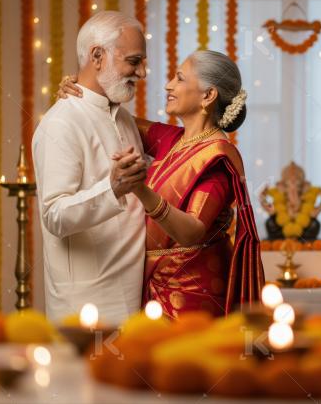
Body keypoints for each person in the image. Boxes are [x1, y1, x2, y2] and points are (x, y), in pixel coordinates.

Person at [57, 50, 264, 318]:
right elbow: (111, 119)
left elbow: (191, 231)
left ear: (208, 95)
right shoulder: (172, 138)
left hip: (193, 291)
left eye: (179, 79)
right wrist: (81, 91)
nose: (169, 85)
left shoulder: (217, 158)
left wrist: (140, 189)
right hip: (150, 281)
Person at [32, 11, 148, 324]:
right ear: (97, 56)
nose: (143, 72)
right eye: (134, 61)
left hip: (136, 301)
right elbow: (54, 215)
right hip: (87, 309)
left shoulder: (122, 118)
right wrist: (112, 189)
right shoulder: (61, 123)